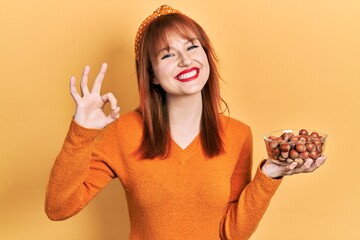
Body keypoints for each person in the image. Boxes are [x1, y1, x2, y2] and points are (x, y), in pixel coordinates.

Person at [45, 5, 327, 240]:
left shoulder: (238, 134)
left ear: (205, 55)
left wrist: (271, 173)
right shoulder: (124, 132)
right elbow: (58, 208)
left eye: (192, 47)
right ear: (152, 75)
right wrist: (82, 131)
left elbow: (232, 233)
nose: (184, 59)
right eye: (167, 54)